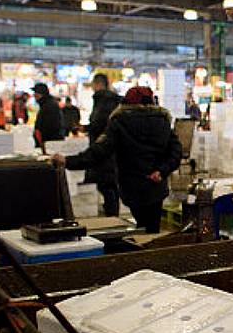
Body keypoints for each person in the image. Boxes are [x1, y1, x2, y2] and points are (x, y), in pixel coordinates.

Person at [55, 86, 181, 233]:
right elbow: (176, 152)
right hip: (156, 185)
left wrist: (68, 161)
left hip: (132, 186)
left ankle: (142, 249)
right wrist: (162, 171)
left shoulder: (120, 122)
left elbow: (99, 151)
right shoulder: (163, 122)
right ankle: (150, 250)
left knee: (141, 227)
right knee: (152, 228)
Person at [84, 73, 122, 217]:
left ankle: (112, 218)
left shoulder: (103, 101)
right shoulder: (112, 101)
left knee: (107, 185)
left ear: (98, 84)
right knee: (109, 185)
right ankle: (112, 216)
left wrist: (92, 129)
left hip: (103, 150)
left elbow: (100, 124)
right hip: (109, 150)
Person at [31, 83, 64, 151]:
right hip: (49, 142)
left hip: (50, 143)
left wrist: (43, 142)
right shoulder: (46, 104)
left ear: (42, 93)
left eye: (36, 92)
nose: (34, 95)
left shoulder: (49, 105)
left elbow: (51, 126)